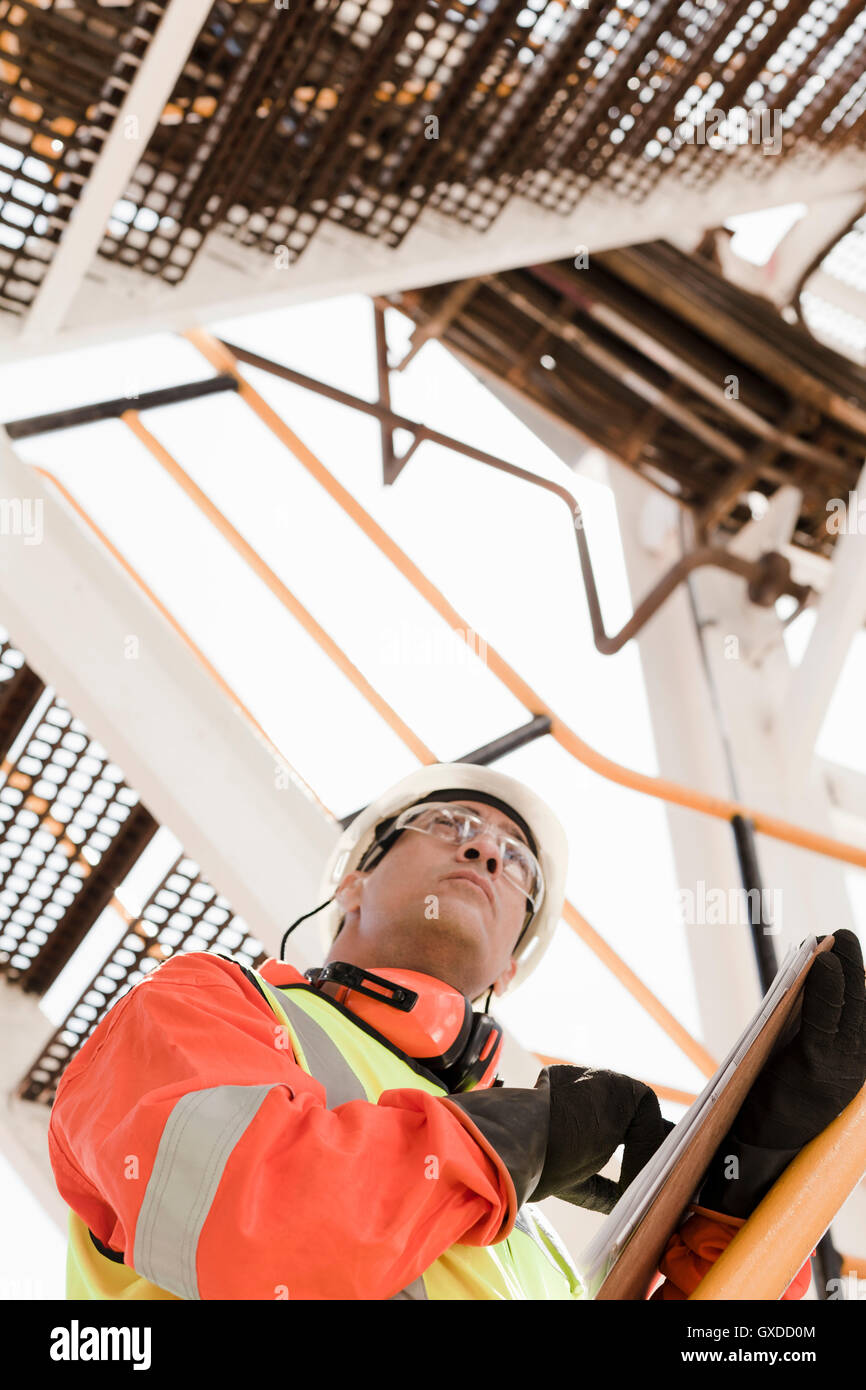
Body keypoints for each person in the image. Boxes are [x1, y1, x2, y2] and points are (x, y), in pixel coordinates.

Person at [47, 762, 865, 1300]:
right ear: (355, 887)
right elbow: (253, 1227)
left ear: (510, 964)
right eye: (446, 823)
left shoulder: (534, 1247)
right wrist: (522, 1138)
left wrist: (744, 1204)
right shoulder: (209, 1004)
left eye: (518, 862)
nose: (483, 850)